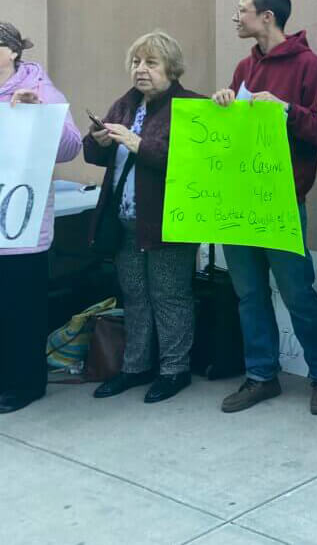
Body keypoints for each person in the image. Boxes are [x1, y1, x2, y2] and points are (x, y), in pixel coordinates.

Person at [212, 0, 317, 415]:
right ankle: (261, 376)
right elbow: (231, 132)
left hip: (282, 200)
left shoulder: (309, 66)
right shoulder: (243, 68)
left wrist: (284, 110)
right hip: (239, 199)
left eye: (242, 9)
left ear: (267, 17)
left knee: (297, 292)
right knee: (248, 293)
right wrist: (224, 102)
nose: (236, 16)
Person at [83, 31, 202, 404]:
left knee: (169, 296)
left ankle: (173, 370)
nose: (141, 70)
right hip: (125, 222)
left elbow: (192, 165)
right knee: (135, 296)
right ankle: (135, 367)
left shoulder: (189, 106)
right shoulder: (125, 104)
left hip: (168, 221)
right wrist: (97, 141)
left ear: (172, 67)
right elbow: (95, 156)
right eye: (136, 62)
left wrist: (139, 144)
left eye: (151, 62)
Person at [0, 23, 82, 414]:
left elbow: (70, 147)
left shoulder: (41, 89)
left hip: (21, 226)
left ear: (14, 52)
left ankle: (25, 383)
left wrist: (39, 114)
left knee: (21, 307)